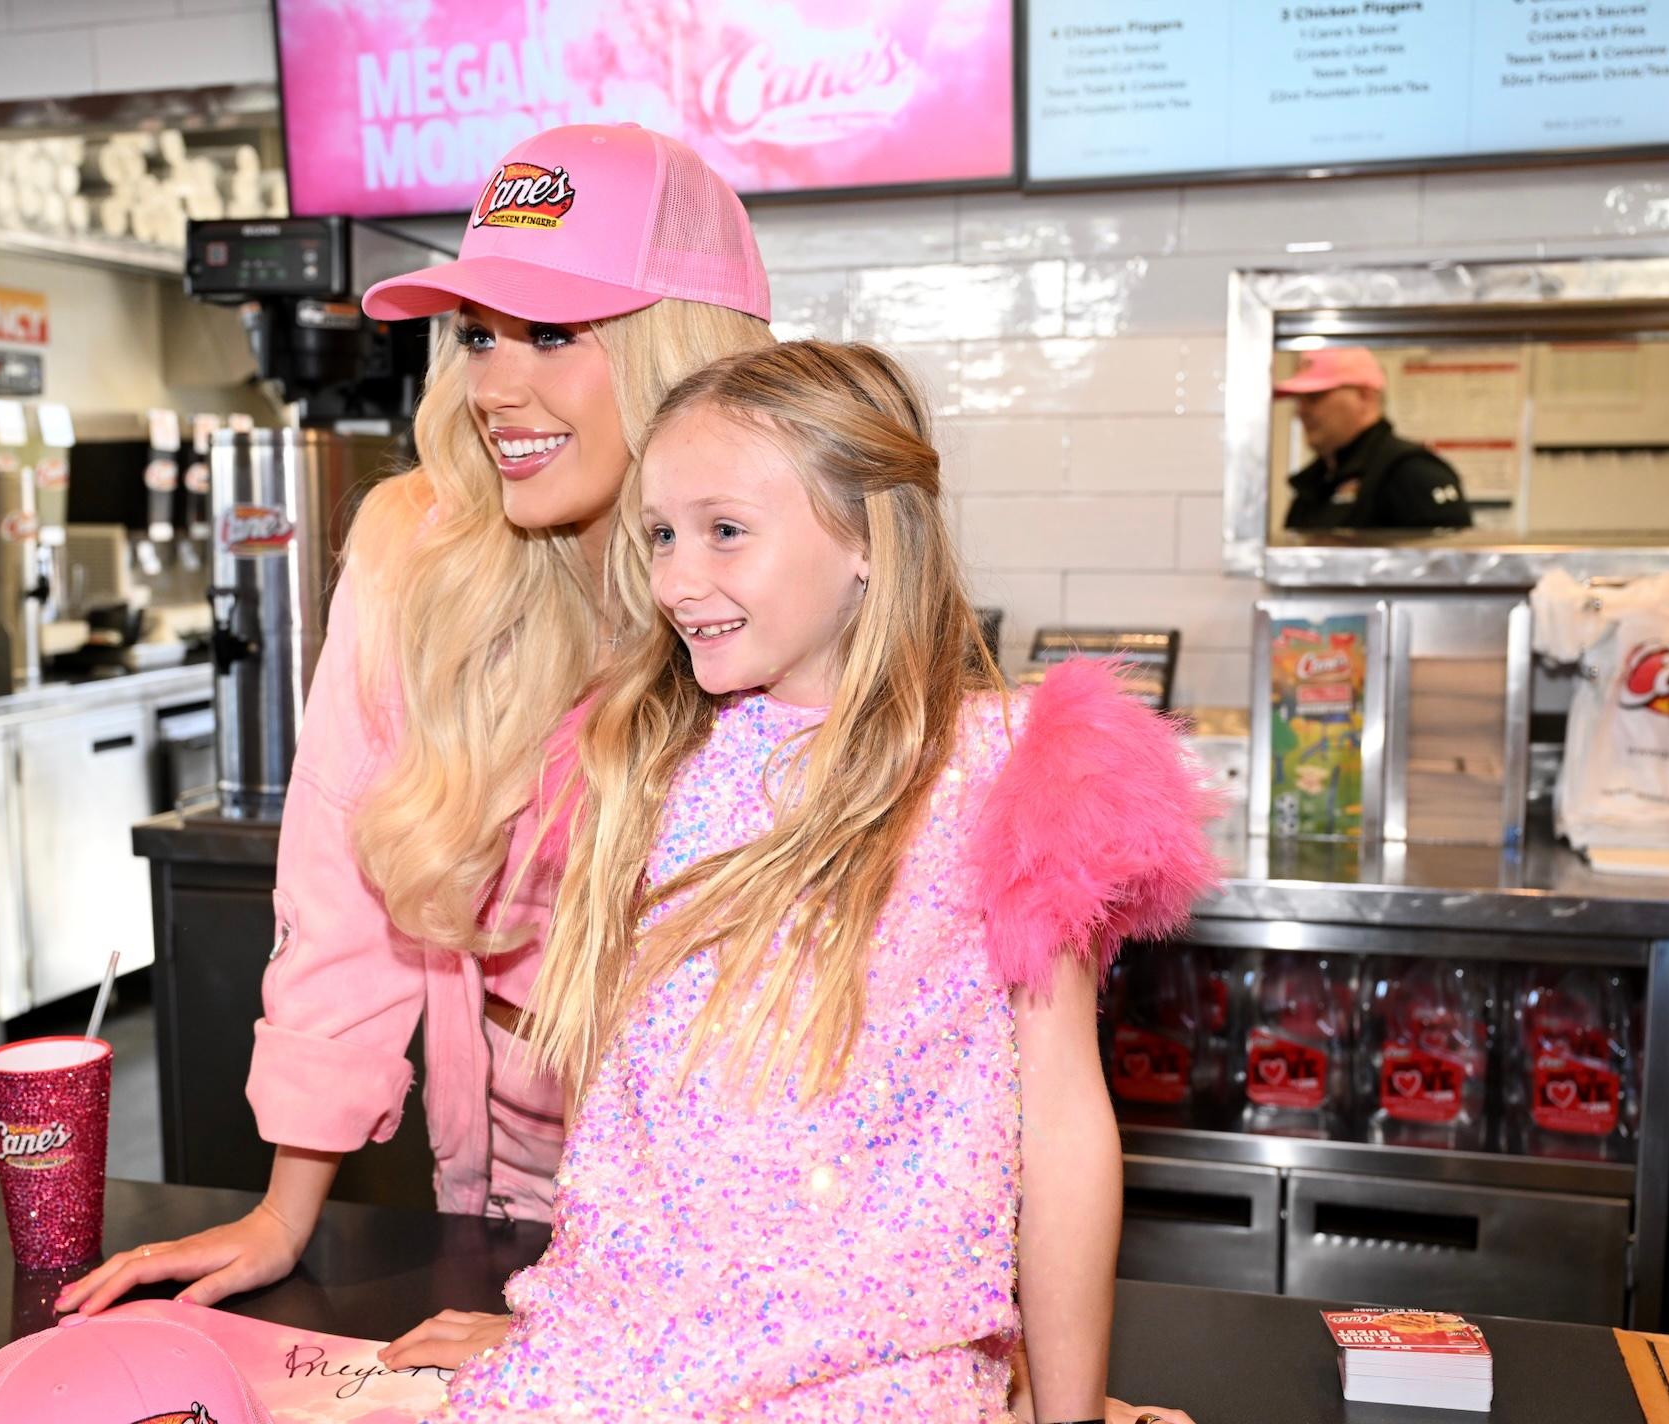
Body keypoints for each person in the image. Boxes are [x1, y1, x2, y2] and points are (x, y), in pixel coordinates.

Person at [405, 341, 1222, 1420]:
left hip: (874, 1364)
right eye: (660, 534)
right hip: (624, 1351)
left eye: (724, 530)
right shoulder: (651, 750)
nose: (676, 579)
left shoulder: (1009, 772)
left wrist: (1067, 1412)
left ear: (866, 540)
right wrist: (567, 1315)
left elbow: (1063, 1122)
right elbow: (636, 1112)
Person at [57, 122, 777, 1318]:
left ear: (679, 348)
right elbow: (340, 883)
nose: (496, 385)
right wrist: (285, 1210)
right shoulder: (420, 549)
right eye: (480, 333)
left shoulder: (774, 586)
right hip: (493, 1177)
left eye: (553, 332)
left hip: (733, 1210)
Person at [1277, 346, 1473, 531]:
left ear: (1364, 396)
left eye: (1315, 396)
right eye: (1298, 400)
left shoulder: (1411, 473)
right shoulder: (1316, 481)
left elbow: (1450, 565)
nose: (1301, 412)